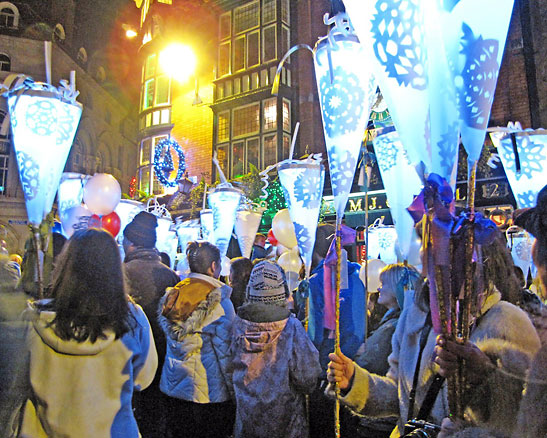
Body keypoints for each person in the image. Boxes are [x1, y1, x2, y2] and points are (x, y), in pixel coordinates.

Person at [327, 228, 540, 437]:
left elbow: (527, 414)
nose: (429, 266)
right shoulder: (416, 316)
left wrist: (483, 376)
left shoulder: (506, 321)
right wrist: (354, 381)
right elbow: (399, 395)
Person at [19, 229, 158, 438]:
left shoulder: (33, 318)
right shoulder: (132, 318)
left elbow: (17, 380)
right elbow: (143, 379)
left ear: (66, 266)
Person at [230, 260, 321, 438]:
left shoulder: (237, 325)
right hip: (286, 425)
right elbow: (307, 378)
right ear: (282, 292)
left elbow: (228, 371)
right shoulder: (291, 328)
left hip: (247, 422)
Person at [158, 241, 235, 438]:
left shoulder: (172, 295)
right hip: (207, 394)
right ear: (213, 267)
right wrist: (234, 392)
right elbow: (226, 354)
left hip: (173, 388)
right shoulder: (218, 301)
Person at [123, 211, 180, 438]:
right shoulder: (171, 275)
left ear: (131, 244)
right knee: (156, 416)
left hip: (130, 359)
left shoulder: (122, 273)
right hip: (165, 358)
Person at [308, 223, 366, 438]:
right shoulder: (355, 280)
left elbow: (312, 334)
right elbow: (359, 329)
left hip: (325, 368)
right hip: (351, 369)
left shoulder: (315, 283)